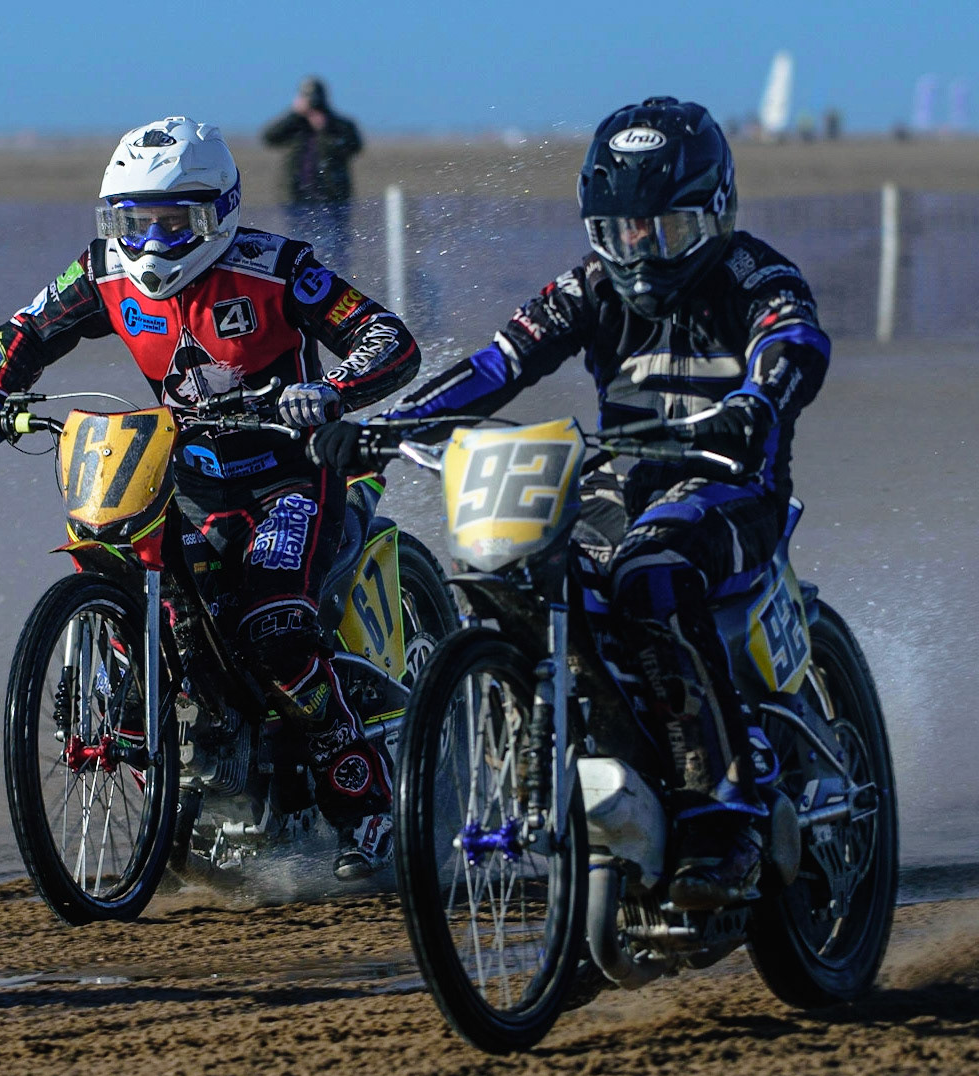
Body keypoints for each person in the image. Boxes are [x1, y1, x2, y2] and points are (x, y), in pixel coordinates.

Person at [311, 97, 831, 910]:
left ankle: (719, 806)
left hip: (732, 481)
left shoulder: (752, 274)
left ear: (718, 211)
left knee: (651, 572)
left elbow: (794, 342)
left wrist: (757, 404)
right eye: (624, 231)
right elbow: (495, 366)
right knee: (510, 568)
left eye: (669, 229)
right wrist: (384, 426)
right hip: (620, 476)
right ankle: (563, 775)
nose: (643, 249)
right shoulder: (587, 286)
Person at [0, 116, 420, 880]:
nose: (154, 242)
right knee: (147, 601)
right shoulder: (101, 272)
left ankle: (366, 805)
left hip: (289, 476)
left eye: (177, 222)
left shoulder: (278, 267)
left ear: (222, 211)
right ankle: (174, 786)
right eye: (134, 221)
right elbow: (23, 328)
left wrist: (328, 392)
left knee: (273, 628)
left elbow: (387, 338)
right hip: (179, 474)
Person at [261, 77, 363, 271]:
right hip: (297, 199)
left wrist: (325, 129)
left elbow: (354, 146)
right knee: (298, 245)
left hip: (332, 200)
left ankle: (339, 279)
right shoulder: (296, 124)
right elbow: (269, 137)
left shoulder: (338, 125)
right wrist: (294, 114)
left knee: (335, 247)